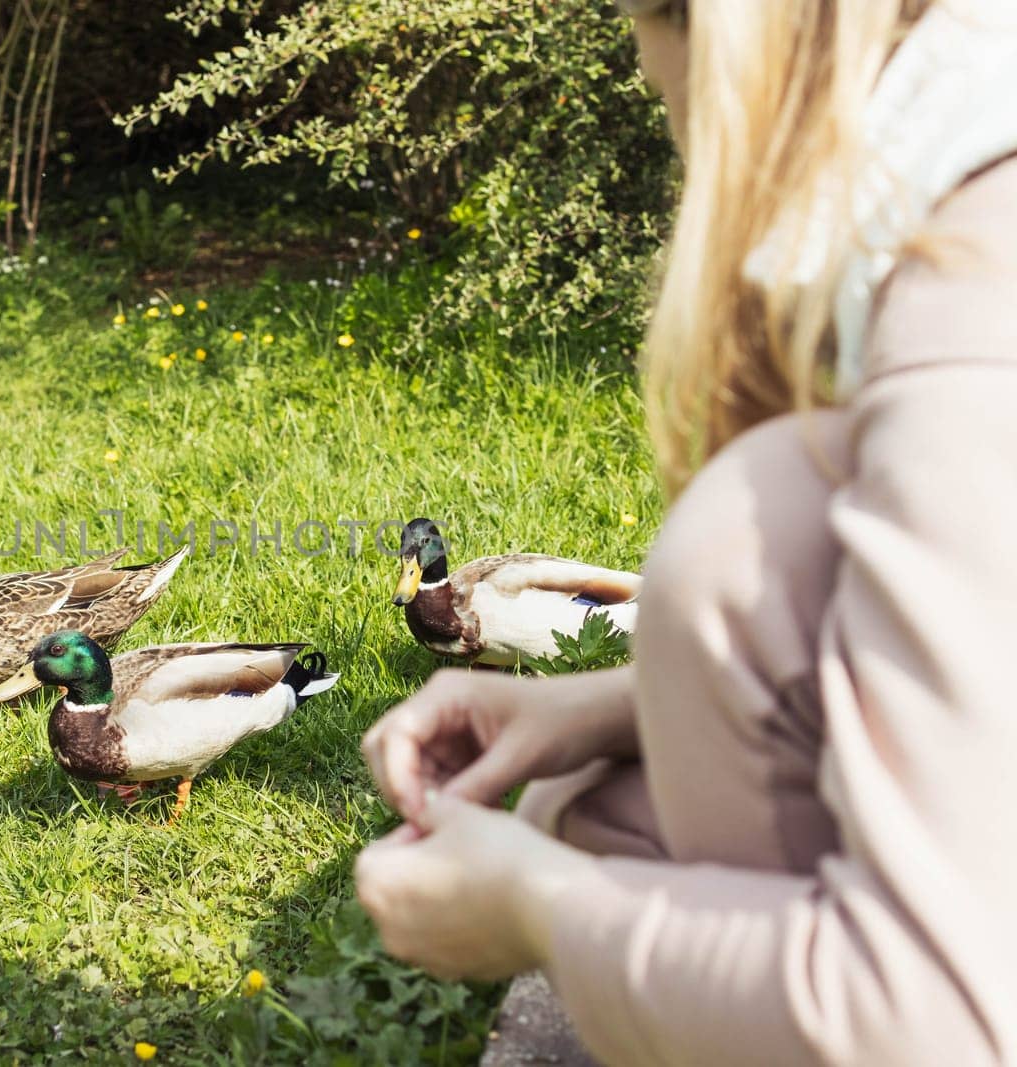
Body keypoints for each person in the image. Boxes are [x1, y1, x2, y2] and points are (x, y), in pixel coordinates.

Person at [354, 1, 1017, 1063]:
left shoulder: (971, 306)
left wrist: (535, 905)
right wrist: (600, 706)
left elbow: (937, 1021)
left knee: (758, 518)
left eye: (667, 104)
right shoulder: (966, 195)